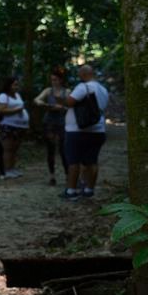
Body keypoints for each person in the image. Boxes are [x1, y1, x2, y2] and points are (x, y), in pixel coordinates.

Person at [60, 64, 109, 201]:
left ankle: (71, 191)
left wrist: (64, 98)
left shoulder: (83, 87)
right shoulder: (103, 89)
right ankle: (89, 189)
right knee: (92, 161)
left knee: (73, 160)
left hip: (78, 130)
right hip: (98, 130)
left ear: (82, 74)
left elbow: (70, 101)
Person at [34, 66, 69, 186]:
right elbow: (37, 100)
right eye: (52, 79)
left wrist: (62, 107)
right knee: (50, 149)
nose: (54, 82)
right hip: (49, 122)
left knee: (64, 150)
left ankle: (67, 175)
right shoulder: (48, 91)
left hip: (62, 122)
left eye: (56, 79)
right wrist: (46, 104)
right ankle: (52, 176)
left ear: (61, 80)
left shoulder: (67, 92)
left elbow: (71, 107)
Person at [0, 76, 28, 179]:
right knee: (8, 148)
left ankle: (12, 168)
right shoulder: (3, 96)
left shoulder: (18, 95)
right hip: (8, 125)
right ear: (8, 85)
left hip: (20, 126)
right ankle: (7, 169)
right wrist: (16, 110)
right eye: (14, 84)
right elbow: (0, 110)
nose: (16, 87)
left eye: (17, 84)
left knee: (15, 148)